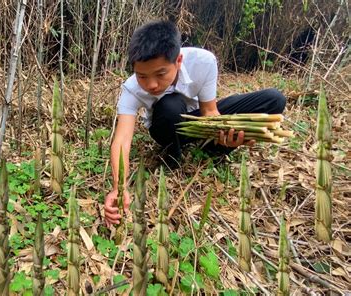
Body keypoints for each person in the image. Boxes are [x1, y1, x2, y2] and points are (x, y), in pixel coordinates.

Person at [104, 20, 286, 226]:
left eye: (161, 74)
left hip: (199, 122)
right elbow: (122, 140)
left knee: (273, 99)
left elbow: (209, 112)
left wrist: (226, 133)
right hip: (166, 127)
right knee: (171, 105)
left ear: (178, 60)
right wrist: (119, 188)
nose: (151, 84)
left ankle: (215, 149)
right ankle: (175, 152)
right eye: (142, 76)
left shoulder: (204, 62)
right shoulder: (130, 89)